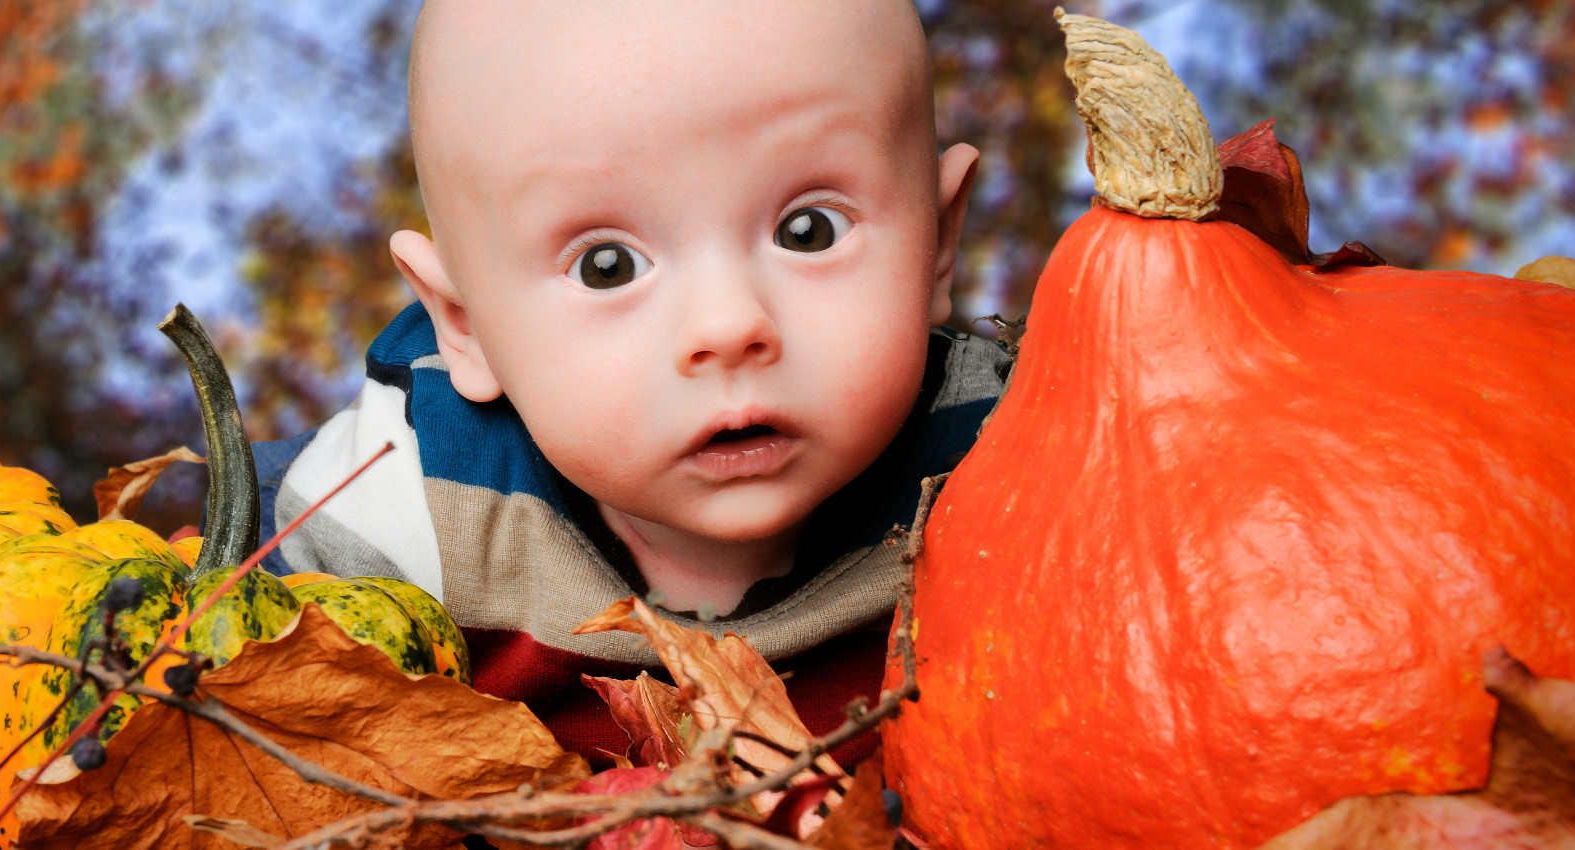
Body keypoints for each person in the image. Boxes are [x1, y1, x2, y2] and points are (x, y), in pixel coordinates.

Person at [251, 0, 1010, 767]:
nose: (726, 326)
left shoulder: (1008, 465)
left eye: (807, 230)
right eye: (605, 266)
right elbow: (231, 661)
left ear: (938, 245)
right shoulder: (406, 502)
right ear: (465, 325)